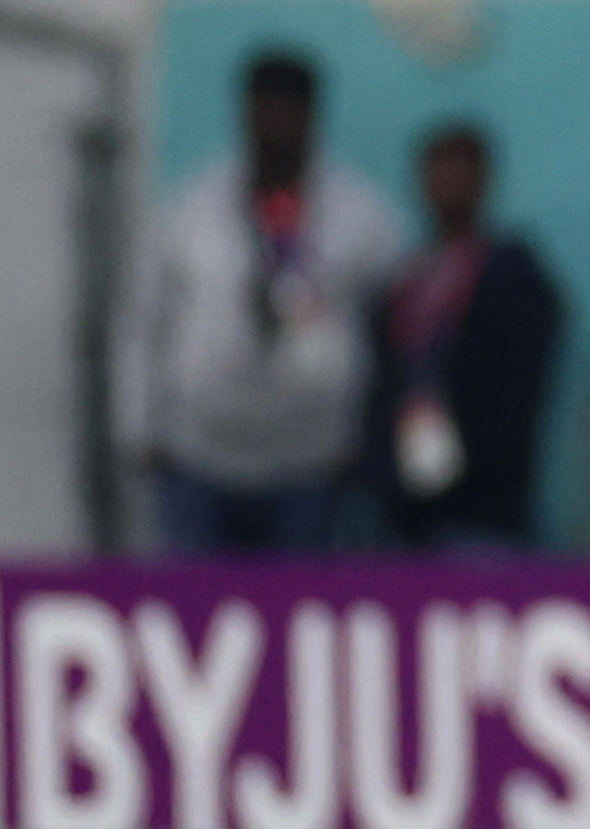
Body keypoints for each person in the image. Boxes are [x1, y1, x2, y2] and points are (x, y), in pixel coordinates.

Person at [120, 51, 402, 553]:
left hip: (312, 459)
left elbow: (393, 328)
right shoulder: (191, 206)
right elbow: (145, 319)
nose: (277, 123)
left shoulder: (361, 212)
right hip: (197, 455)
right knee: (195, 617)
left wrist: (363, 438)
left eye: (289, 110)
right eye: (265, 108)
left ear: (313, 115)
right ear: (244, 112)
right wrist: (141, 427)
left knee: (297, 617)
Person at [364, 125, 563, 549]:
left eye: (462, 169)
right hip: (404, 514)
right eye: (439, 169)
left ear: (484, 180)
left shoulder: (512, 278)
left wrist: (458, 462)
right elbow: (385, 384)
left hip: (482, 509)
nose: (449, 182)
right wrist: (387, 472)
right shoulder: (406, 281)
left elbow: (518, 394)